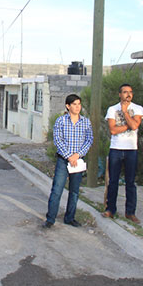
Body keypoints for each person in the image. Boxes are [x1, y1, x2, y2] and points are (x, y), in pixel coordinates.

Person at [43, 94, 93, 228]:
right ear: (68, 106)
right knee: (57, 189)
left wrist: (77, 155)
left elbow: (89, 140)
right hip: (63, 161)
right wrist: (69, 156)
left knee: (74, 191)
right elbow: (58, 140)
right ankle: (50, 219)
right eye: (75, 104)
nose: (78, 107)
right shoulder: (61, 121)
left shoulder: (86, 122)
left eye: (79, 104)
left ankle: (70, 217)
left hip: (78, 161)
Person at [102, 83, 143, 223]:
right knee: (113, 181)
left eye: (130, 92)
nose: (128, 94)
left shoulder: (138, 109)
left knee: (130, 182)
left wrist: (125, 112)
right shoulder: (112, 109)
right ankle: (110, 209)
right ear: (120, 94)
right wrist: (129, 125)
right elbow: (113, 130)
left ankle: (130, 212)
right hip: (116, 148)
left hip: (131, 150)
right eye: (125, 92)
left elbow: (134, 126)